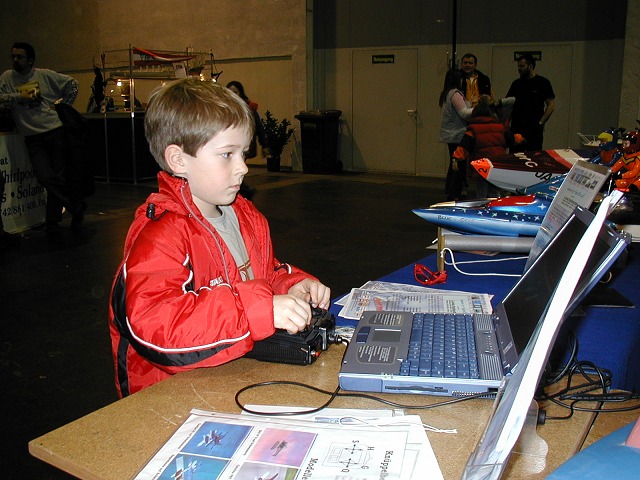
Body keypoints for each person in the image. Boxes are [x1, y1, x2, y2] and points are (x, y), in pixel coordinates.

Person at [108, 78, 331, 397]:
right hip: (172, 397)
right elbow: (157, 327)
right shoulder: (162, 235)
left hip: (231, 378)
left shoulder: (244, 215)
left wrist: (290, 285)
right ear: (178, 160)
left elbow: (260, 274)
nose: (243, 168)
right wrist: (257, 311)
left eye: (243, 153)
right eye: (227, 154)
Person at [0, 42, 87, 232]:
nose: (16, 60)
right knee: (45, 177)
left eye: (20, 57)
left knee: (57, 177)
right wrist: (18, 97)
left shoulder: (44, 75)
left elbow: (72, 84)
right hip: (32, 137)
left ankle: (53, 220)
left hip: (54, 131)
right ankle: (75, 206)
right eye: (13, 56)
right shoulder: (7, 78)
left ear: (30, 60)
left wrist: (63, 105)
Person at [452, 95, 522, 198]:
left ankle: (483, 206)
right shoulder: (500, 128)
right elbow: (512, 139)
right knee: (495, 191)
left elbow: (464, 147)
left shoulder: (473, 130)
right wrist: (521, 138)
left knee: (481, 193)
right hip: (496, 165)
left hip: (481, 168)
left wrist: (455, 159)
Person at [506, 53, 555, 152]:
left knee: (534, 155)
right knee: (515, 156)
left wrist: (541, 122)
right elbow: (509, 105)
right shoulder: (516, 84)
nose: (519, 69)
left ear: (530, 66)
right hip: (517, 128)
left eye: (522, 66)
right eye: (518, 66)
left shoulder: (542, 83)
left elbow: (551, 105)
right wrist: (506, 125)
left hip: (534, 129)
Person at [439, 68, 473, 200]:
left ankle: (450, 190)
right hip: (457, 134)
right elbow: (464, 113)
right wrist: (479, 107)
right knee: (459, 164)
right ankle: (454, 193)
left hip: (450, 134)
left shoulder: (446, 93)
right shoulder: (455, 94)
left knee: (453, 163)